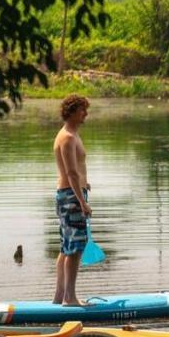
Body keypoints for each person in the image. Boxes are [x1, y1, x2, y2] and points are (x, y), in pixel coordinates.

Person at [53, 94, 91, 306]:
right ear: (72, 111)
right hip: (71, 197)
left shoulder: (72, 134)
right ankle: (70, 297)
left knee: (66, 246)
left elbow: (78, 171)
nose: (85, 114)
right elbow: (71, 173)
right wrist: (82, 202)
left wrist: (86, 185)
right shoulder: (67, 137)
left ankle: (60, 296)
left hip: (71, 194)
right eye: (82, 110)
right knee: (75, 247)